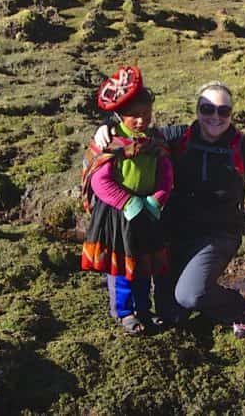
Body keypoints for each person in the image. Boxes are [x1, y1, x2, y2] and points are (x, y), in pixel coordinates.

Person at [153, 81, 245, 337]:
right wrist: (107, 127)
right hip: (176, 234)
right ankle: (198, 295)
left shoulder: (241, 145)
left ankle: (237, 306)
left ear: (231, 113)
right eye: (207, 109)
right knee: (172, 315)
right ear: (197, 109)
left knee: (190, 295)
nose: (215, 117)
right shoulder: (177, 137)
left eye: (223, 111)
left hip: (219, 235)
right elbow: (133, 133)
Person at [80, 66, 173, 335]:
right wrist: (127, 202)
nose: (142, 121)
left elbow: (167, 171)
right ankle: (124, 312)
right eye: (135, 116)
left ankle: (144, 309)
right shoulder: (109, 141)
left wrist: (157, 200)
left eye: (146, 115)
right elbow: (99, 179)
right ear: (120, 115)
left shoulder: (156, 139)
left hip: (148, 211)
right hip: (119, 215)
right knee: (121, 267)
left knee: (144, 264)